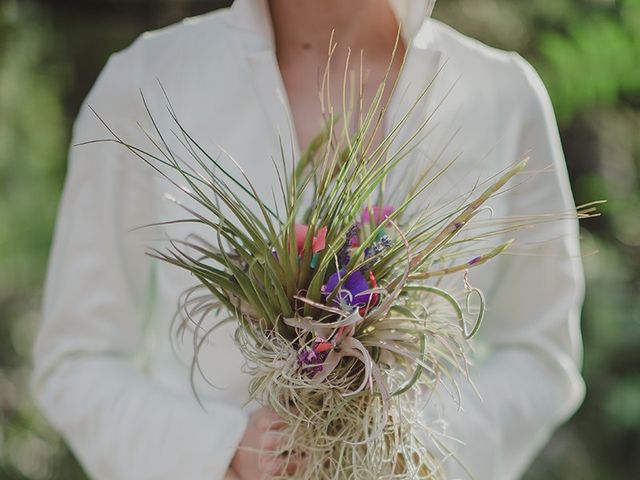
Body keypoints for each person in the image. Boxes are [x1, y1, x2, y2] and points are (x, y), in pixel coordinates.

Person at [31, 0, 586, 479]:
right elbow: (76, 360)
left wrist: (409, 444)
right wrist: (221, 451)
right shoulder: (146, 83)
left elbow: (542, 356)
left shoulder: (502, 97)